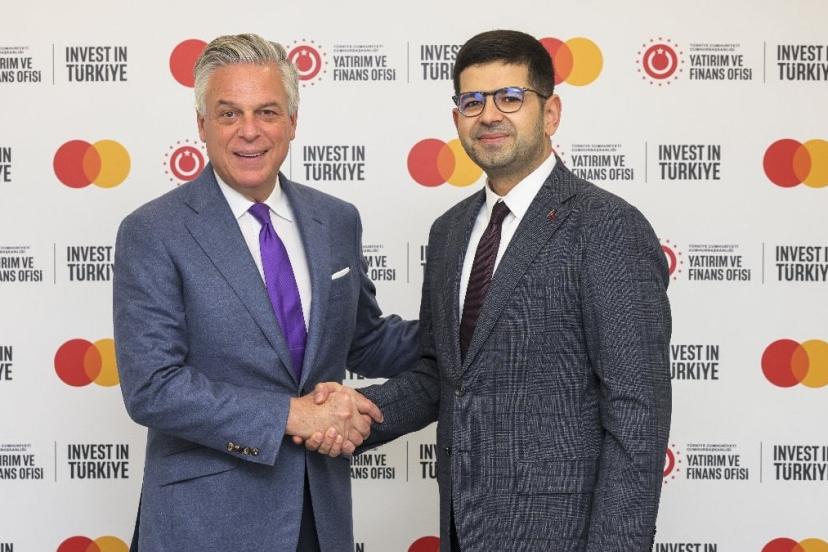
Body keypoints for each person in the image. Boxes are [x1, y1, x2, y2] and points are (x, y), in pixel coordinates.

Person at [310, 29, 672, 551]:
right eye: (472, 101)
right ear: (457, 117)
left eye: (510, 97)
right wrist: (348, 415)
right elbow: (442, 376)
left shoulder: (607, 227)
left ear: (551, 113)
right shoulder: (450, 231)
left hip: (561, 537)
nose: (489, 115)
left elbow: (637, 416)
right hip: (464, 527)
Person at [112, 33, 417, 552]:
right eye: (229, 114)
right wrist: (294, 415)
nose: (249, 131)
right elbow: (153, 387)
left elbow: (364, 339)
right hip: (204, 524)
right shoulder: (154, 231)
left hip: (318, 514)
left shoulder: (336, 220)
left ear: (292, 122)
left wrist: (470, 325)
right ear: (202, 126)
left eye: (267, 112)